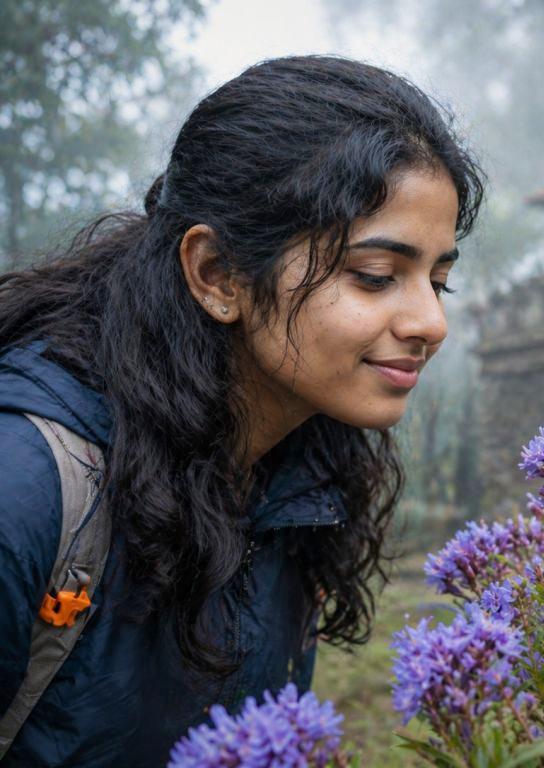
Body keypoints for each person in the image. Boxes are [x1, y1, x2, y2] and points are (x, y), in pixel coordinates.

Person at [0, 55, 484, 766]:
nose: (431, 323)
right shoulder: (31, 487)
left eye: (438, 280)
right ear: (217, 275)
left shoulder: (305, 482)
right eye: (376, 276)